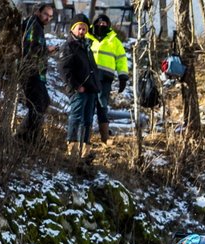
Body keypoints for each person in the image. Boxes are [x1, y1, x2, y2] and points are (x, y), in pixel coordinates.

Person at [60, 14, 101, 160]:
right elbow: (64, 69)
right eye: (80, 28)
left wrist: (96, 85)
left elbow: (91, 67)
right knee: (76, 117)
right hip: (79, 90)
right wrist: (76, 86)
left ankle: (85, 151)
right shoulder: (69, 46)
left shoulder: (87, 45)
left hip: (91, 89)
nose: (82, 31)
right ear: (73, 29)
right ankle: (72, 150)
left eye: (84, 28)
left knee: (88, 120)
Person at [16, 2, 58, 144]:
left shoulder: (38, 26)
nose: (48, 18)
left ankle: (26, 134)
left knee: (43, 102)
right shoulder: (33, 24)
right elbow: (29, 48)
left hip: (36, 73)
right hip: (29, 72)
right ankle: (29, 137)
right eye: (46, 14)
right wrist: (47, 50)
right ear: (38, 12)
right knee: (38, 104)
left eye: (50, 16)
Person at [86, 15, 129, 144]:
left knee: (102, 104)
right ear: (95, 24)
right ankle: (84, 138)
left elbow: (121, 59)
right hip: (89, 77)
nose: (102, 25)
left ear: (109, 25)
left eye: (105, 23)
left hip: (105, 78)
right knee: (88, 105)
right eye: (100, 23)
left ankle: (105, 138)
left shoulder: (114, 41)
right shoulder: (88, 38)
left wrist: (123, 77)